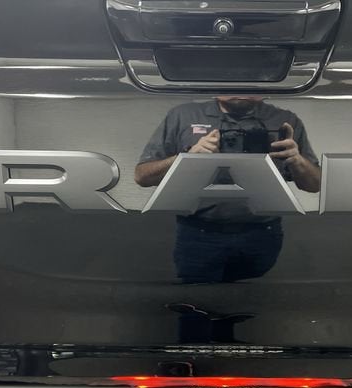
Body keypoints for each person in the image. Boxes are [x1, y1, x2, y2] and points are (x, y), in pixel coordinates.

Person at [135, 96, 320, 283]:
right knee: (194, 295)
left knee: (261, 296)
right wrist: (187, 157)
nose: (239, 87)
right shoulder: (183, 116)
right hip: (198, 232)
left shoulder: (285, 120)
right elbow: (143, 176)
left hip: (264, 232)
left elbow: (314, 185)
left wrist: (297, 160)